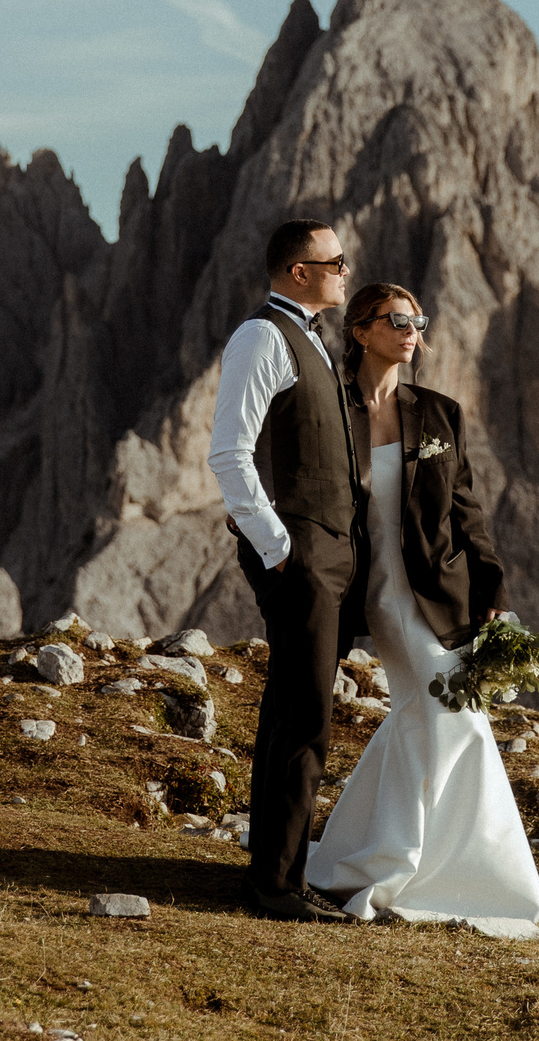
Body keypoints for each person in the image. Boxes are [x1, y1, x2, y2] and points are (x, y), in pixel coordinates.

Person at [303, 282, 539, 925]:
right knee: (451, 712)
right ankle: (451, 873)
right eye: (398, 320)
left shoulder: (440, 413)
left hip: (444, 593)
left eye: (418, 320)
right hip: (377, 594)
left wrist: (494, 595)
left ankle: (363, 854)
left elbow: (467, 513)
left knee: (425, 712)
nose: (413, 331)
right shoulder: (331, 409)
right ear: (359, 331)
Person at [208, 218, 363, 922]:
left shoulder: (312, 339)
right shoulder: (262, 337)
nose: (345, 268)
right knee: (303, 719)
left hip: (326, 553)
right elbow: (230, 453)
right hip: (299, 552)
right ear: (298, 271)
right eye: (334, 260)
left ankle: (278, 873)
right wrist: (281, 549)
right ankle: (275, 886)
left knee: (298, 713)